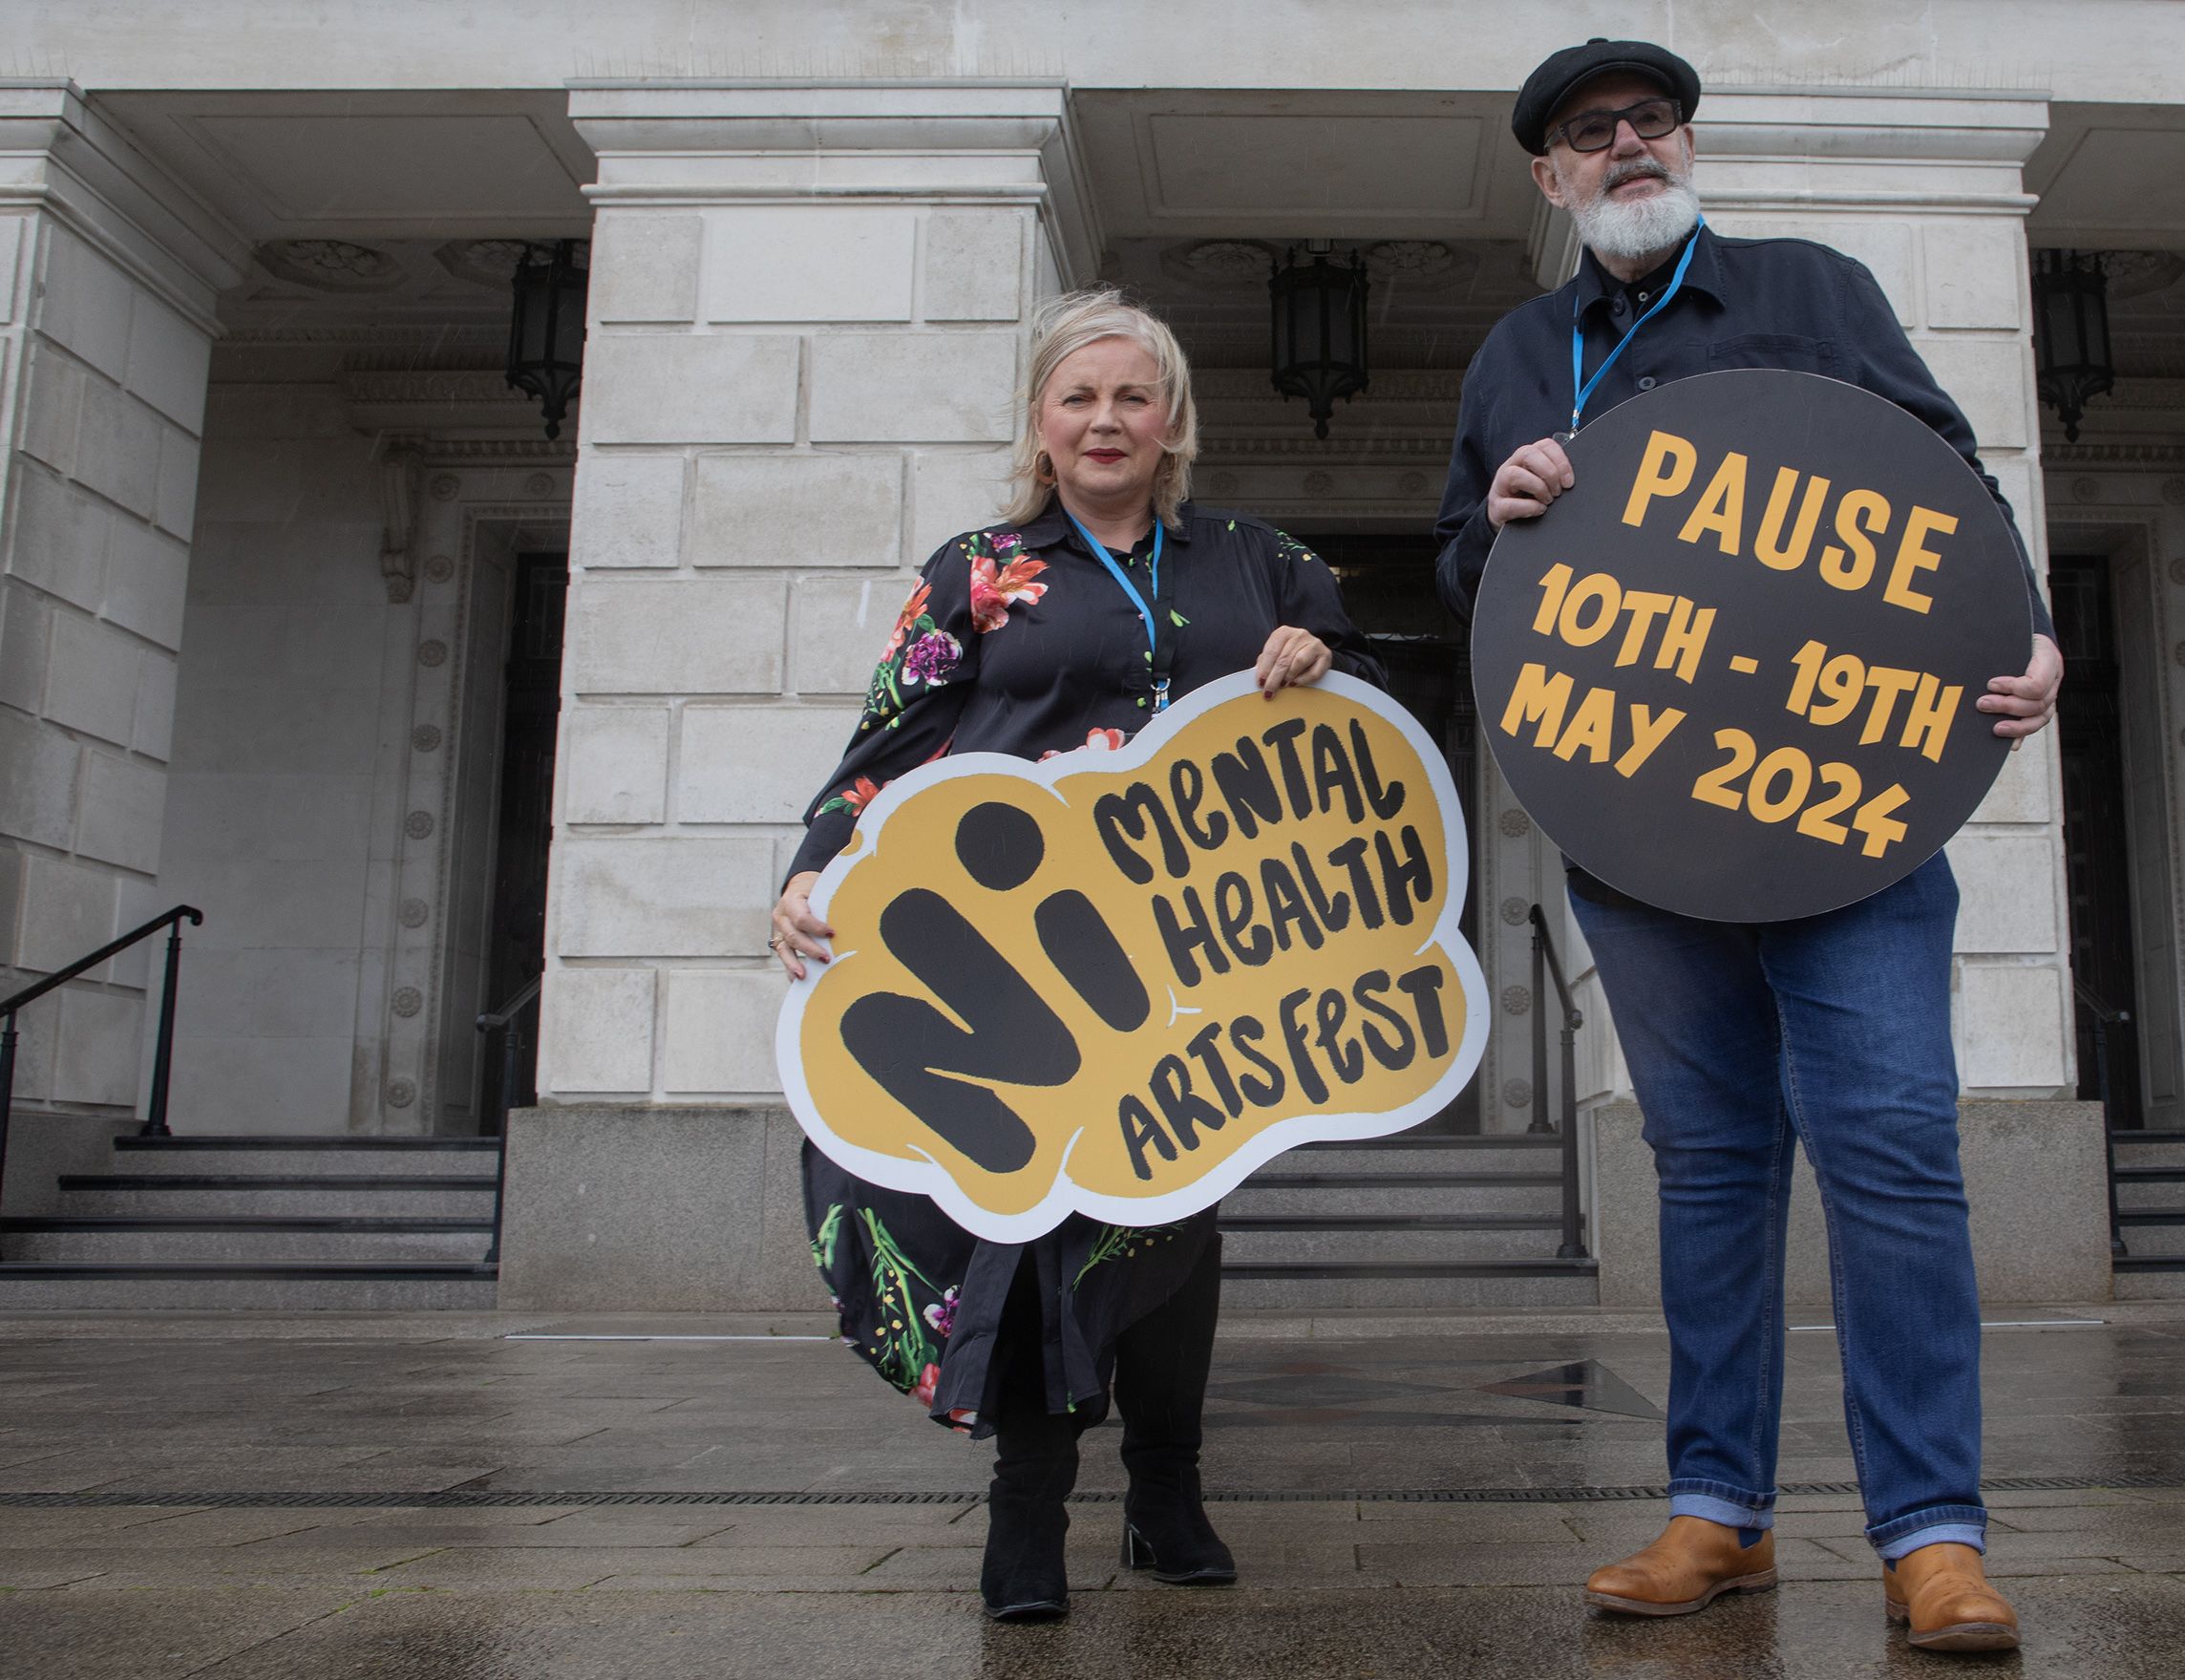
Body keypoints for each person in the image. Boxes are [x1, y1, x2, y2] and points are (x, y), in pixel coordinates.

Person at [1434, 40, 2063, 1656]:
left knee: (1894, 1151)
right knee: (1708, 1171)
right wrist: (1494, 518)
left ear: (1687, 144)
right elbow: (1467, 581)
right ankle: (1721, 1515)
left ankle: (1932, 1538)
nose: (1628, 146)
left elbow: (1950, 490)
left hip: (1844, 820)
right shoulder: (1516, 353)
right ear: (1549, 177)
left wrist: (2032, 631)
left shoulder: (1812, 288)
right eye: (1592, 134)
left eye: (1651, 123)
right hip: (1641, 836)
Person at [770, 288, 1384, 1622]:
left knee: (1171, 1214)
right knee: (1033, 1219)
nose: (1106, 420)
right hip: (1028, 950)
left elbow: (1366, 719)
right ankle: (1028, 1515)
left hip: (1204, 955)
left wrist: (1323, 652)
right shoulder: (975, 570)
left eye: (1132, 398)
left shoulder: (1263, 562)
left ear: (1174, 424)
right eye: (1078, 398)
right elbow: (885, 748)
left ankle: (1166, 1495)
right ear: (1040, 427)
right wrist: (811, 870)